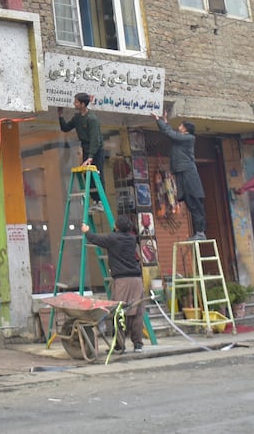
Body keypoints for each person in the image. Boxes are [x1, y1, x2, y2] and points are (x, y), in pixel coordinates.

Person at [81, 216, 145, 352]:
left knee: (118, 313)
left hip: (122, 281)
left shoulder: (113, 238)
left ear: (116, 227)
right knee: (137, 313)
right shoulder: (132, 239)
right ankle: (138, 344)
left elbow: (94, 238)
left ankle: (119, 345)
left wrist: (86, 231)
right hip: (137, 280)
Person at [155, 112, 206, 240]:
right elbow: (171, 134)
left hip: (188, 172)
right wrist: (165, 122)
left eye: (181, 125)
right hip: (181, 172)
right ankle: (199, 233)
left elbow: (171, 134)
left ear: (185, 129)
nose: (179, 127)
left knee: (194, 201)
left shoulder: (189, 138)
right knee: (189, 201)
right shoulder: (181, 139)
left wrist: (159, 120)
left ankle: (200, 233)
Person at [59, 92, 104, 174]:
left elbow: (95, 139)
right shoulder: (77, 118)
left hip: (96, 152)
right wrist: (60, 116)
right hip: (86, 149)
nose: (74, 104)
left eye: (76, 102)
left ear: (82, 104)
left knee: (96, 175)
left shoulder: (92, 119)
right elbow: (65, 128)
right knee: (87, 175)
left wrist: (91, 157)